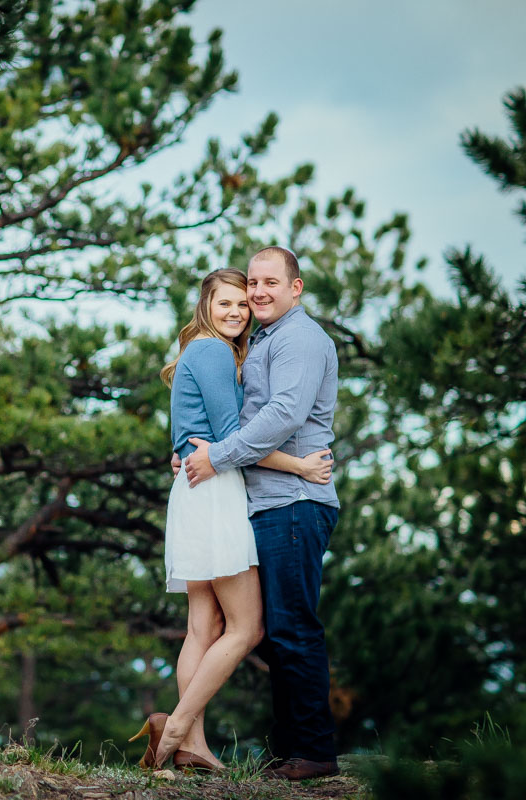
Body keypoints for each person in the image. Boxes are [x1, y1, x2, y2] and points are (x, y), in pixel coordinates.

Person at [129, 267, 331, 772]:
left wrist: (189, 453)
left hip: (194, 491)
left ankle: (189, 739)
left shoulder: (200, 351)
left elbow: (202, 440)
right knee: (247, 626)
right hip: (215, 492)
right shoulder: (215, 351)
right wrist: (301, 465)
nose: (238, 311)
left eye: (243, 304)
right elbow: (232, 440)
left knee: (203, 625)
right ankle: (176, 728)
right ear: (205, 306)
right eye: (226, 304)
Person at [182, 247, 341, 781]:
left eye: (271, 282)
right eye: (253, 282)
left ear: (296, 288)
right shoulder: (261, 341)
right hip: (269, 500)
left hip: (294, 502)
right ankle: (291, 749)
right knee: (276, 632)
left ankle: (314, 751)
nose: (258, 292)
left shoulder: (298, 337)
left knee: (293, 628)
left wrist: (217, 455)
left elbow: (283, 413)